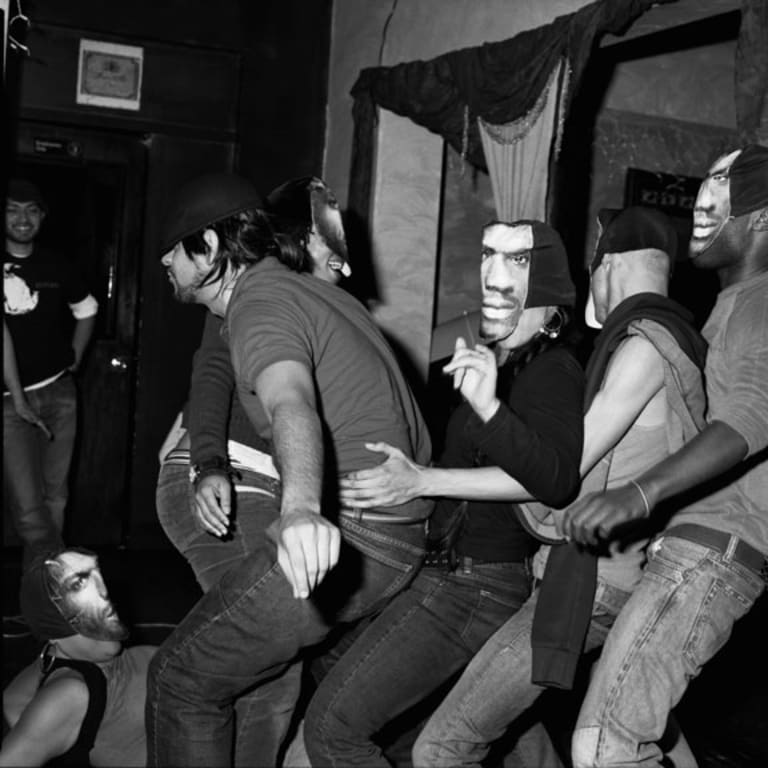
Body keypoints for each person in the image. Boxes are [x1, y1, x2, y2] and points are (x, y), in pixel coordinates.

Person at [146, 172, 432, 767]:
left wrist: (301, 509)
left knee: (180, 679)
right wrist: (207, 460)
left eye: (173, 248)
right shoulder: (319, 295)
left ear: (211, 246)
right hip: (396, 542)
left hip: (356, 534)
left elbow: (290, 402)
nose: (166, 263)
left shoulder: (260, 301)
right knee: (244, 673)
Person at [412, 205, 708, 767]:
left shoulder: (646, 344)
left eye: (592, 265)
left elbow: (559, 478)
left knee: (441, 748)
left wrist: (472, 434)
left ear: (611, 264)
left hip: (593, 581)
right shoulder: (655, 340)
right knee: (641, 735)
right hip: (607, 575)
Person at [301, 218, 584, 767]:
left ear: (551, 308)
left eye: (517, 267)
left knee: (333, 727)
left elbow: (554, 480)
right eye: (488, 260)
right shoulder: (497, 359)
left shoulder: (553, 370)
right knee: (331, 659)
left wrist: (439, 461)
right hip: (445, 570)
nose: (494, 282)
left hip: (476, 583)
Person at [558, 146, 768, 768]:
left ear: (760, 218)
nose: (702, 204)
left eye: (722, 189)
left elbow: (747, 422)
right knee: (650, 737)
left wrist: (638, 494)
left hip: (714, 551)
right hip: (697, 546)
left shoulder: (762, 301)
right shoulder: (734, 303)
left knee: (603, 744)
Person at [155, 175, 351, 766]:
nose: (341, 257)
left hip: (254, 481)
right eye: (328, 237)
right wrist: (206, 462)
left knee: (269, 668)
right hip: (232, 479)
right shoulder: (255, 293)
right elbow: (212, 377)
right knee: (258, 664)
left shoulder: (309, 302)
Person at [4, 180, 98, 568]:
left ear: (42, 217)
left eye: (31, 210)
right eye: (12, 209)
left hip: (59, 393)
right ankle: (54, 595)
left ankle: (44, 603)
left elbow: (87, 308)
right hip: (9, 402)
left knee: (55, 498)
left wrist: (73, 358)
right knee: (28, 509)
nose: (22, 218)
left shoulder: (56, 264)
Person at [0, 547, 155, 767]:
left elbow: (14, 702)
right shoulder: (71, 692)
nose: (102, 591)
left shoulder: (52, 662)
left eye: (97, 573)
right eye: (79, 584)